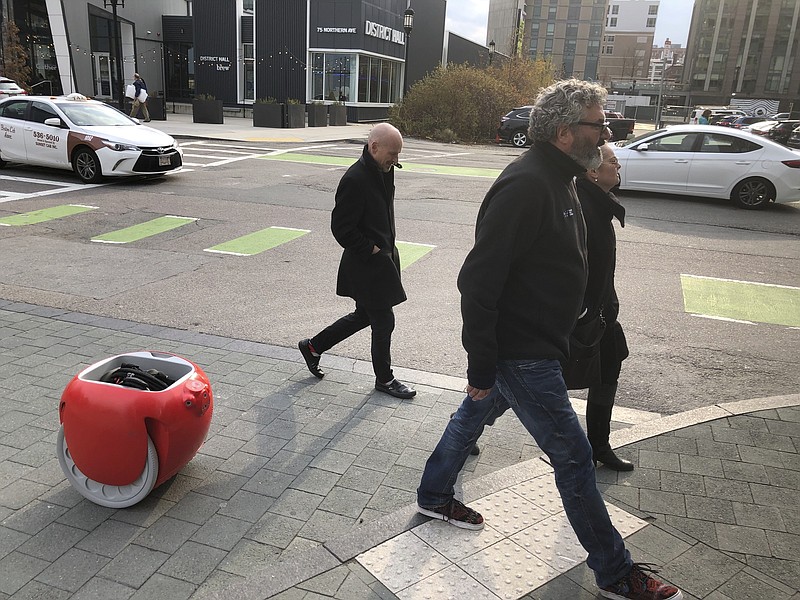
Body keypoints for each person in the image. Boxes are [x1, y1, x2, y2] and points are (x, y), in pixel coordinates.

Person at [416, 79, 682, 600]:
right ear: (565, 132)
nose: (607, 134)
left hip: (538, 345)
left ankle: (433, 493)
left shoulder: (563, 179)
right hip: (523, 353)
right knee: (574, 458)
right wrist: (481, 365)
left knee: (472, 417)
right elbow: (478, 280)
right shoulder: (527, 184)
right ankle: (616, 572)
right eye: (599, 124)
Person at [298, 123, 416, 400]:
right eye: (393, 153)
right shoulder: (355, 178)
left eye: (398, 154)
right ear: (374, 147)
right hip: (367, 265)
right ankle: (385, 380)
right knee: (384, 320)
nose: (396, 160)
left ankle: (313, 347)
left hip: (382, 261)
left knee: (365, 315)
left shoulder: (383, 170)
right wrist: (372, 249)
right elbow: (341, 228)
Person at [564, 143, 634, 471]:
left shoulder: (600, 204)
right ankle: (467, 426)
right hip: (579, 319)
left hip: (603, 315)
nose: (618, 165)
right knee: (526, 384)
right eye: (612, 161)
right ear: (592, 171)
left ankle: (599, 447)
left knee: (608, 372)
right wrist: (581, 313)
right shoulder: (581, 208)